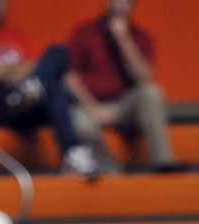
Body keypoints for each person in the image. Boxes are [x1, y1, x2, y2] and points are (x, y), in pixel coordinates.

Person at [0, 0, 98, 178]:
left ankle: (72, 153)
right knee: (48, 85)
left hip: (24, 105)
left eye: (2, 2)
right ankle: (72, 150)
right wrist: (18, 70)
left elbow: (33, 67)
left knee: (58, 53)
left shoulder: (15, 35)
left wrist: (9, 72)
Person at [66, 0, 174, 172]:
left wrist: (124, 40)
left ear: (132, 6)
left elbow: (144, 77)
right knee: (76, 121)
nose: (119, 5)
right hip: (92, 106)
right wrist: (94, 109)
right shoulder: (85, 33)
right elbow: (70, 77)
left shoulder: (140, 37)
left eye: (126, 2)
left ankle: (163, 165)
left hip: (126, 106)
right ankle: (113, 174)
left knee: (152, 93)